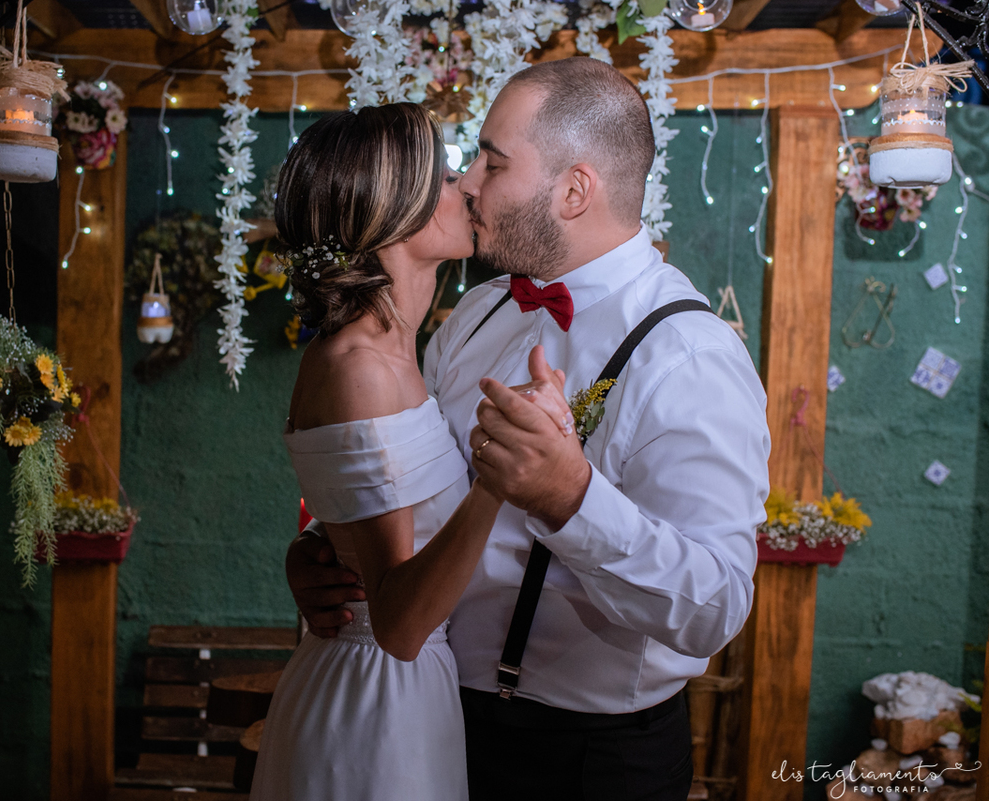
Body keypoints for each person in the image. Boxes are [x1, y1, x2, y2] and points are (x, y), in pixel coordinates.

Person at [286, 57, 771, 801]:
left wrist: (570, 497)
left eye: (492, 160)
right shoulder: (477, 314)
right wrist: (327, 553)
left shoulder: (691, 354)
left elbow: (715, 608)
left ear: (574, 189)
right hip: (433, 719)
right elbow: (412, 490)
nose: (470, 181)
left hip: (589, 761)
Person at [250, 103, 575, 801]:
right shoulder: (359, 365)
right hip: (378, 699)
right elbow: (397, 622)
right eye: (445, 174)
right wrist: (497, 478)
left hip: (414, 690)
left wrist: (318, 544)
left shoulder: (406, 354)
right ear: (393, 209)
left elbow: (369, 513)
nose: (465, 186)